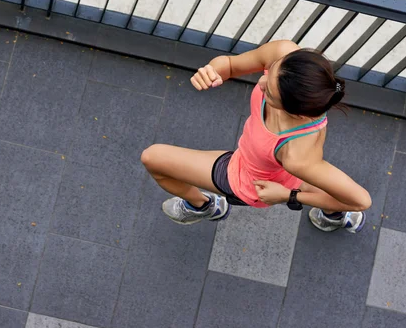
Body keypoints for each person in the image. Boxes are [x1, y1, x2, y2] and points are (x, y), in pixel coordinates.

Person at [141, 40, 371, 233]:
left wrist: (289, 196)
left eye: (268, 93)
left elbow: (361, 201)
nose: (260, 82)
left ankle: (204, 206)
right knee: (325, 186)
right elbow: (230, 65)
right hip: (284, 166)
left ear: (294, 112)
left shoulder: (297, 156)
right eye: (270, 73)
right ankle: (333, 216)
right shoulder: (284, 55)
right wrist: (212, 69)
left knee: (153, 158)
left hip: (249, 179)